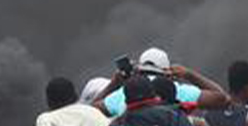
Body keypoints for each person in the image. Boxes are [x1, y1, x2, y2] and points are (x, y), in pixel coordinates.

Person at [93, 47, 230, 117]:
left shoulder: (124, 93)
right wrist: (190, 74)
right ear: (167, 72)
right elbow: (222, 99)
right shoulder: (177, 90)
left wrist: (114, 84)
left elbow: (89, 111)